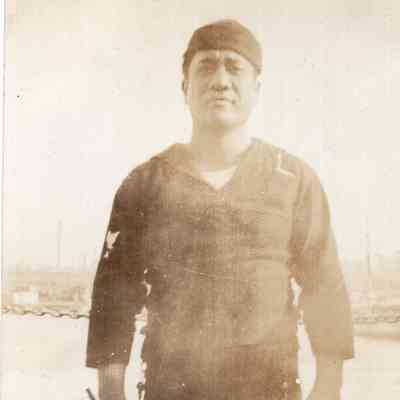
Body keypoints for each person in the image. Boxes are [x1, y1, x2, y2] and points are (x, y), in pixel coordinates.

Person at [86, 19, 354, 400]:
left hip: (270, 391)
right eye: (206, 66)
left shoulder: (293, 179)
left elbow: (324, 284)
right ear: (185, 87)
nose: (220, 81)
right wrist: (111, 390)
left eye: (234, 67)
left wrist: (328, 385)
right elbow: (115, 292)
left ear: (256, 88)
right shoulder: (145, 184)